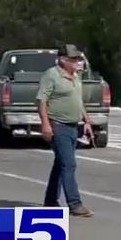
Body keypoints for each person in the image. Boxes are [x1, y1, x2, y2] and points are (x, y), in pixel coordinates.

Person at [37, 44, 94, 217]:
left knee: (61, 163)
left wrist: (86, 119)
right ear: (63, 60)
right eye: (74, 59)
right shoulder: (51, 75)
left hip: (73, 126)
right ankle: (75, 204)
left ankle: (50, 200)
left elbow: (77, 99)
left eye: (78, 59)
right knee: (69, 164)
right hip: (58, 125)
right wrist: (45, 124)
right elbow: (42, 101)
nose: (78, 62)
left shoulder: (75, 76)